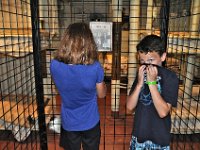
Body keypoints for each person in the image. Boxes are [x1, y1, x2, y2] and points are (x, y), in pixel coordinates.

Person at [50, 22, 107, 150]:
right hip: (90, 121)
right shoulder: (95, 67)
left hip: (69, 122)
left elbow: (60, 87)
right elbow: (102, 95)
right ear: (89, 42)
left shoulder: (54, 65)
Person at [127, 34, 179, 149]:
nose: (147, 65)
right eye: (142, 61)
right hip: (139, 136)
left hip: (159, 139)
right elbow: (129, 107)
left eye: (151, 60)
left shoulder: (170, 78)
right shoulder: (141, 75)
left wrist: (152, 84)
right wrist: (140, 83)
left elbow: (163, 112)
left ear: (163, 56)